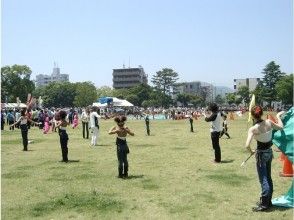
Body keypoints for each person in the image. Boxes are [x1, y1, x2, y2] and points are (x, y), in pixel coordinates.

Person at [245, 106, 284, 212]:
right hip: (269, 153)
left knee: (264, 179)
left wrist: (251, 151)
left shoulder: (253, 129)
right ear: (261, 113)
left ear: (252, 115)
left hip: (261, 155)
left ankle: (264, 204)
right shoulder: (269, 122)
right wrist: (278, 116)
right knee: (268, 177)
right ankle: (268, 201)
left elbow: (247, 145)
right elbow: (281, 127)